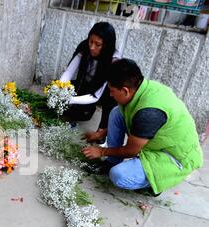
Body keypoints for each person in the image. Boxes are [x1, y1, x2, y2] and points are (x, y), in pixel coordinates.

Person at [82, 59, 203, 196]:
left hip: (174, 158)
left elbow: (130, 151)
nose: (110, 94)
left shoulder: (148, 113)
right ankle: (112, 162)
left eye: (112, 90)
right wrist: (101, 133)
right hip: (160, 142)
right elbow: (129, 118)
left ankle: (152, 184)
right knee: (117, 113)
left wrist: (101, 152)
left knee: (118, 175)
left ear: (125, 91)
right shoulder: (143, 88)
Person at [59, 21, 121, 143]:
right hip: (85, 84)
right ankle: (78, 112)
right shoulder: (84, 47)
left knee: (111, 99)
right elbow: (68, 72)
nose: (92, 47)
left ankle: (101, 132)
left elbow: (96, 95)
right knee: (79, 113)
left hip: (102, 92)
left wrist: (70, 99)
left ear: (106, 46)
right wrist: (59, 88)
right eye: (90, 41)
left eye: (98, 44)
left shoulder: (114, 60)